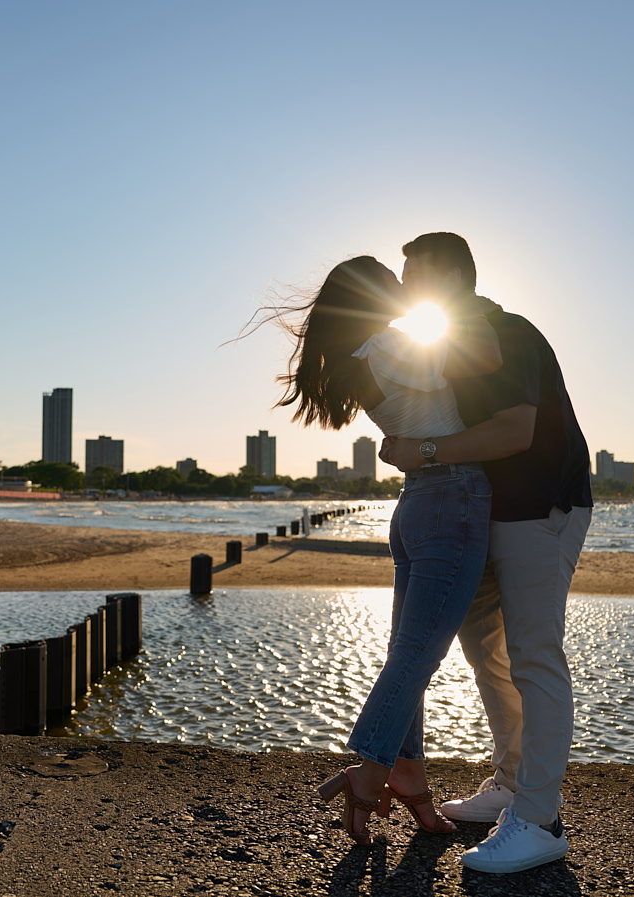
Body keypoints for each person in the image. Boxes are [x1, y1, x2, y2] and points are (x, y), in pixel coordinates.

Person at [381, 232, 593, 874]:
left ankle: (540, 818)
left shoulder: (508, 333)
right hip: (483, 516)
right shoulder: (448, 345)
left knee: (534, 653)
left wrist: (423, 453)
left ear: (449, 278)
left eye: (412, 275)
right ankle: (510, 785)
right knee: (488, 657)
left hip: (541, 508)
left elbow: (514, 430)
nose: (402, 287)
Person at [274, 255, 501, 846]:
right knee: (415, 660)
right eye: (394, 280)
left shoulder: (360, 356)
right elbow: (481, 359)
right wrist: (455, 304)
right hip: (452, 501)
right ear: (374, 294)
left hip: (419, 506)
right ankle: (370, 774)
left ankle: (412, 784)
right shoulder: (388, 345)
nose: (405, 287)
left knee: (409, 658)